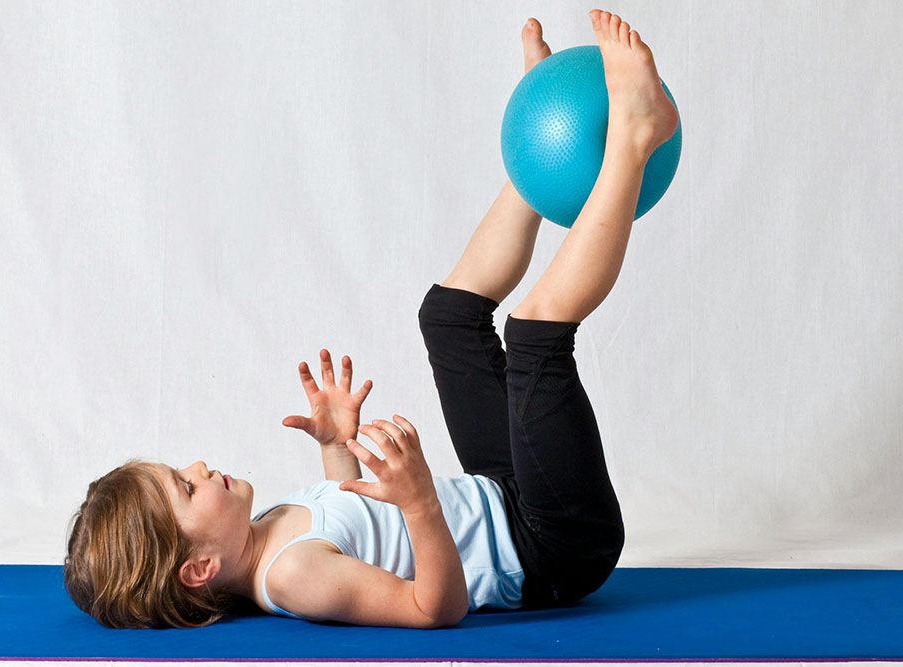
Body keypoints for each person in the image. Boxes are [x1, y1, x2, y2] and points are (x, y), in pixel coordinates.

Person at [63, 9, 680, 630]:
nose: (197, 469)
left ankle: (541, 154)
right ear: (197, 568)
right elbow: (433, 608)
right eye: (186, 488)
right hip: (553, 546)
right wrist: (419, 504)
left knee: (448, 316)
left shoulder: (263, 531)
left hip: (503, 495)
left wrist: (336, 447)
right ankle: (633, 134)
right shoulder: (293, 578)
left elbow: (351, 517)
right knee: (535, 337)